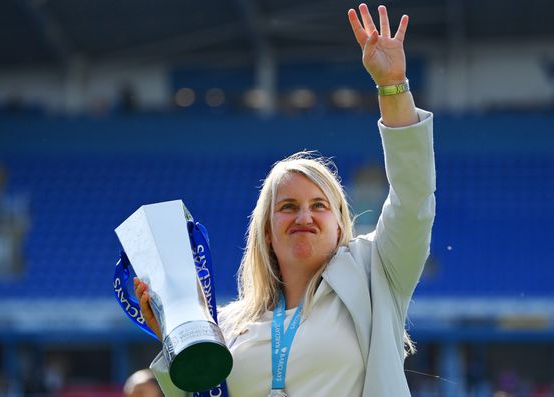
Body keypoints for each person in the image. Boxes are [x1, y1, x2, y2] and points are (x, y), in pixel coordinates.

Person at [134, 3, 435, 396]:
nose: (304, 216)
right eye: (288, 207)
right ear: (267, 232)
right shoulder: (227, 325)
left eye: (319, 205)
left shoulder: (375, 273)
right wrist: (175, 338)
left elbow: (413, 198)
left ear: (341, 224)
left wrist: (393, 86)